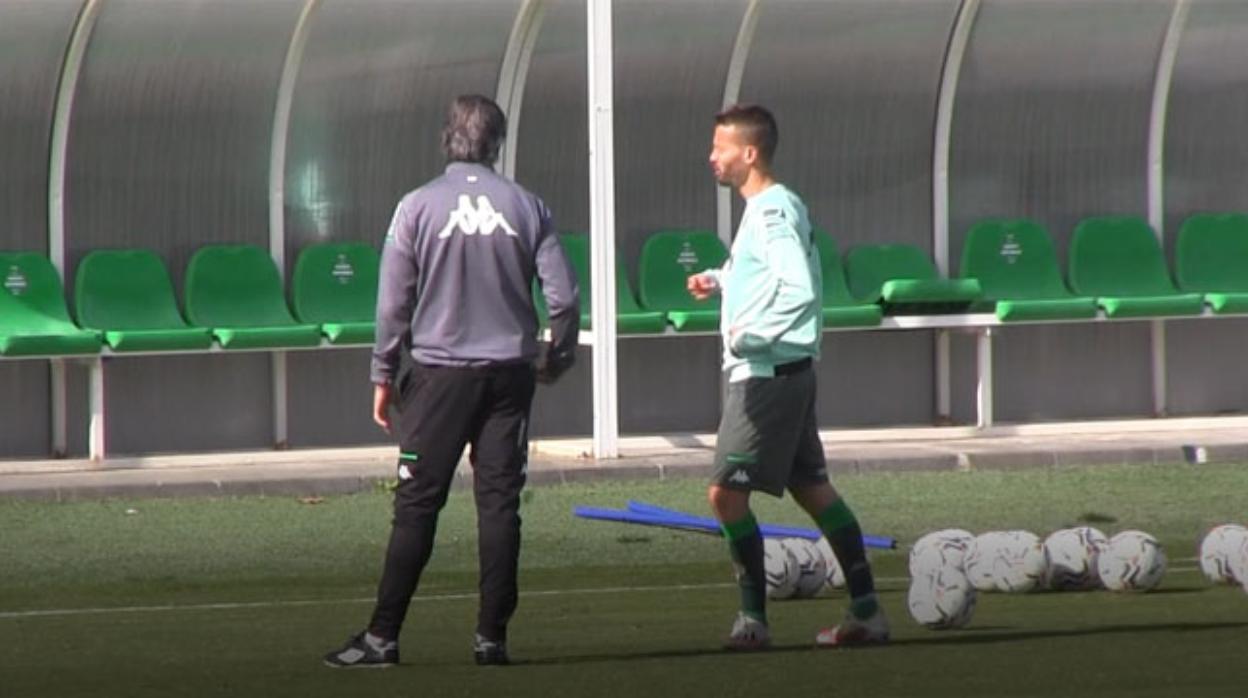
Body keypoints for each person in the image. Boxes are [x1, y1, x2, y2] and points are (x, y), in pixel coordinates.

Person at [324, 94, 580, 669]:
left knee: (417, 504)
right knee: (500, 505)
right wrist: (556, 358)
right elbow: (563, 298)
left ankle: (382, 639)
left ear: (447, 138)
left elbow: (393, 302)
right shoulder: (528, 206)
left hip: (438, 378)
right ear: (498, 143)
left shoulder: (417, 206)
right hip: (510, 378)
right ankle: (491, 640)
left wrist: (382, 373)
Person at [688, 104, 889, 650]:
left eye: (720, 148)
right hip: (786, 372)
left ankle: (753, 622)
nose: (712, 157)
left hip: (767, 376)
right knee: (812, 488)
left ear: (749, 153)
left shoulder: (772, 210)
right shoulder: (773, 206)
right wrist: (720, 278)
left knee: (724, 495)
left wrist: (750, 336)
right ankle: (866, 611)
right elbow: (767, 271)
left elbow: (796, 287)